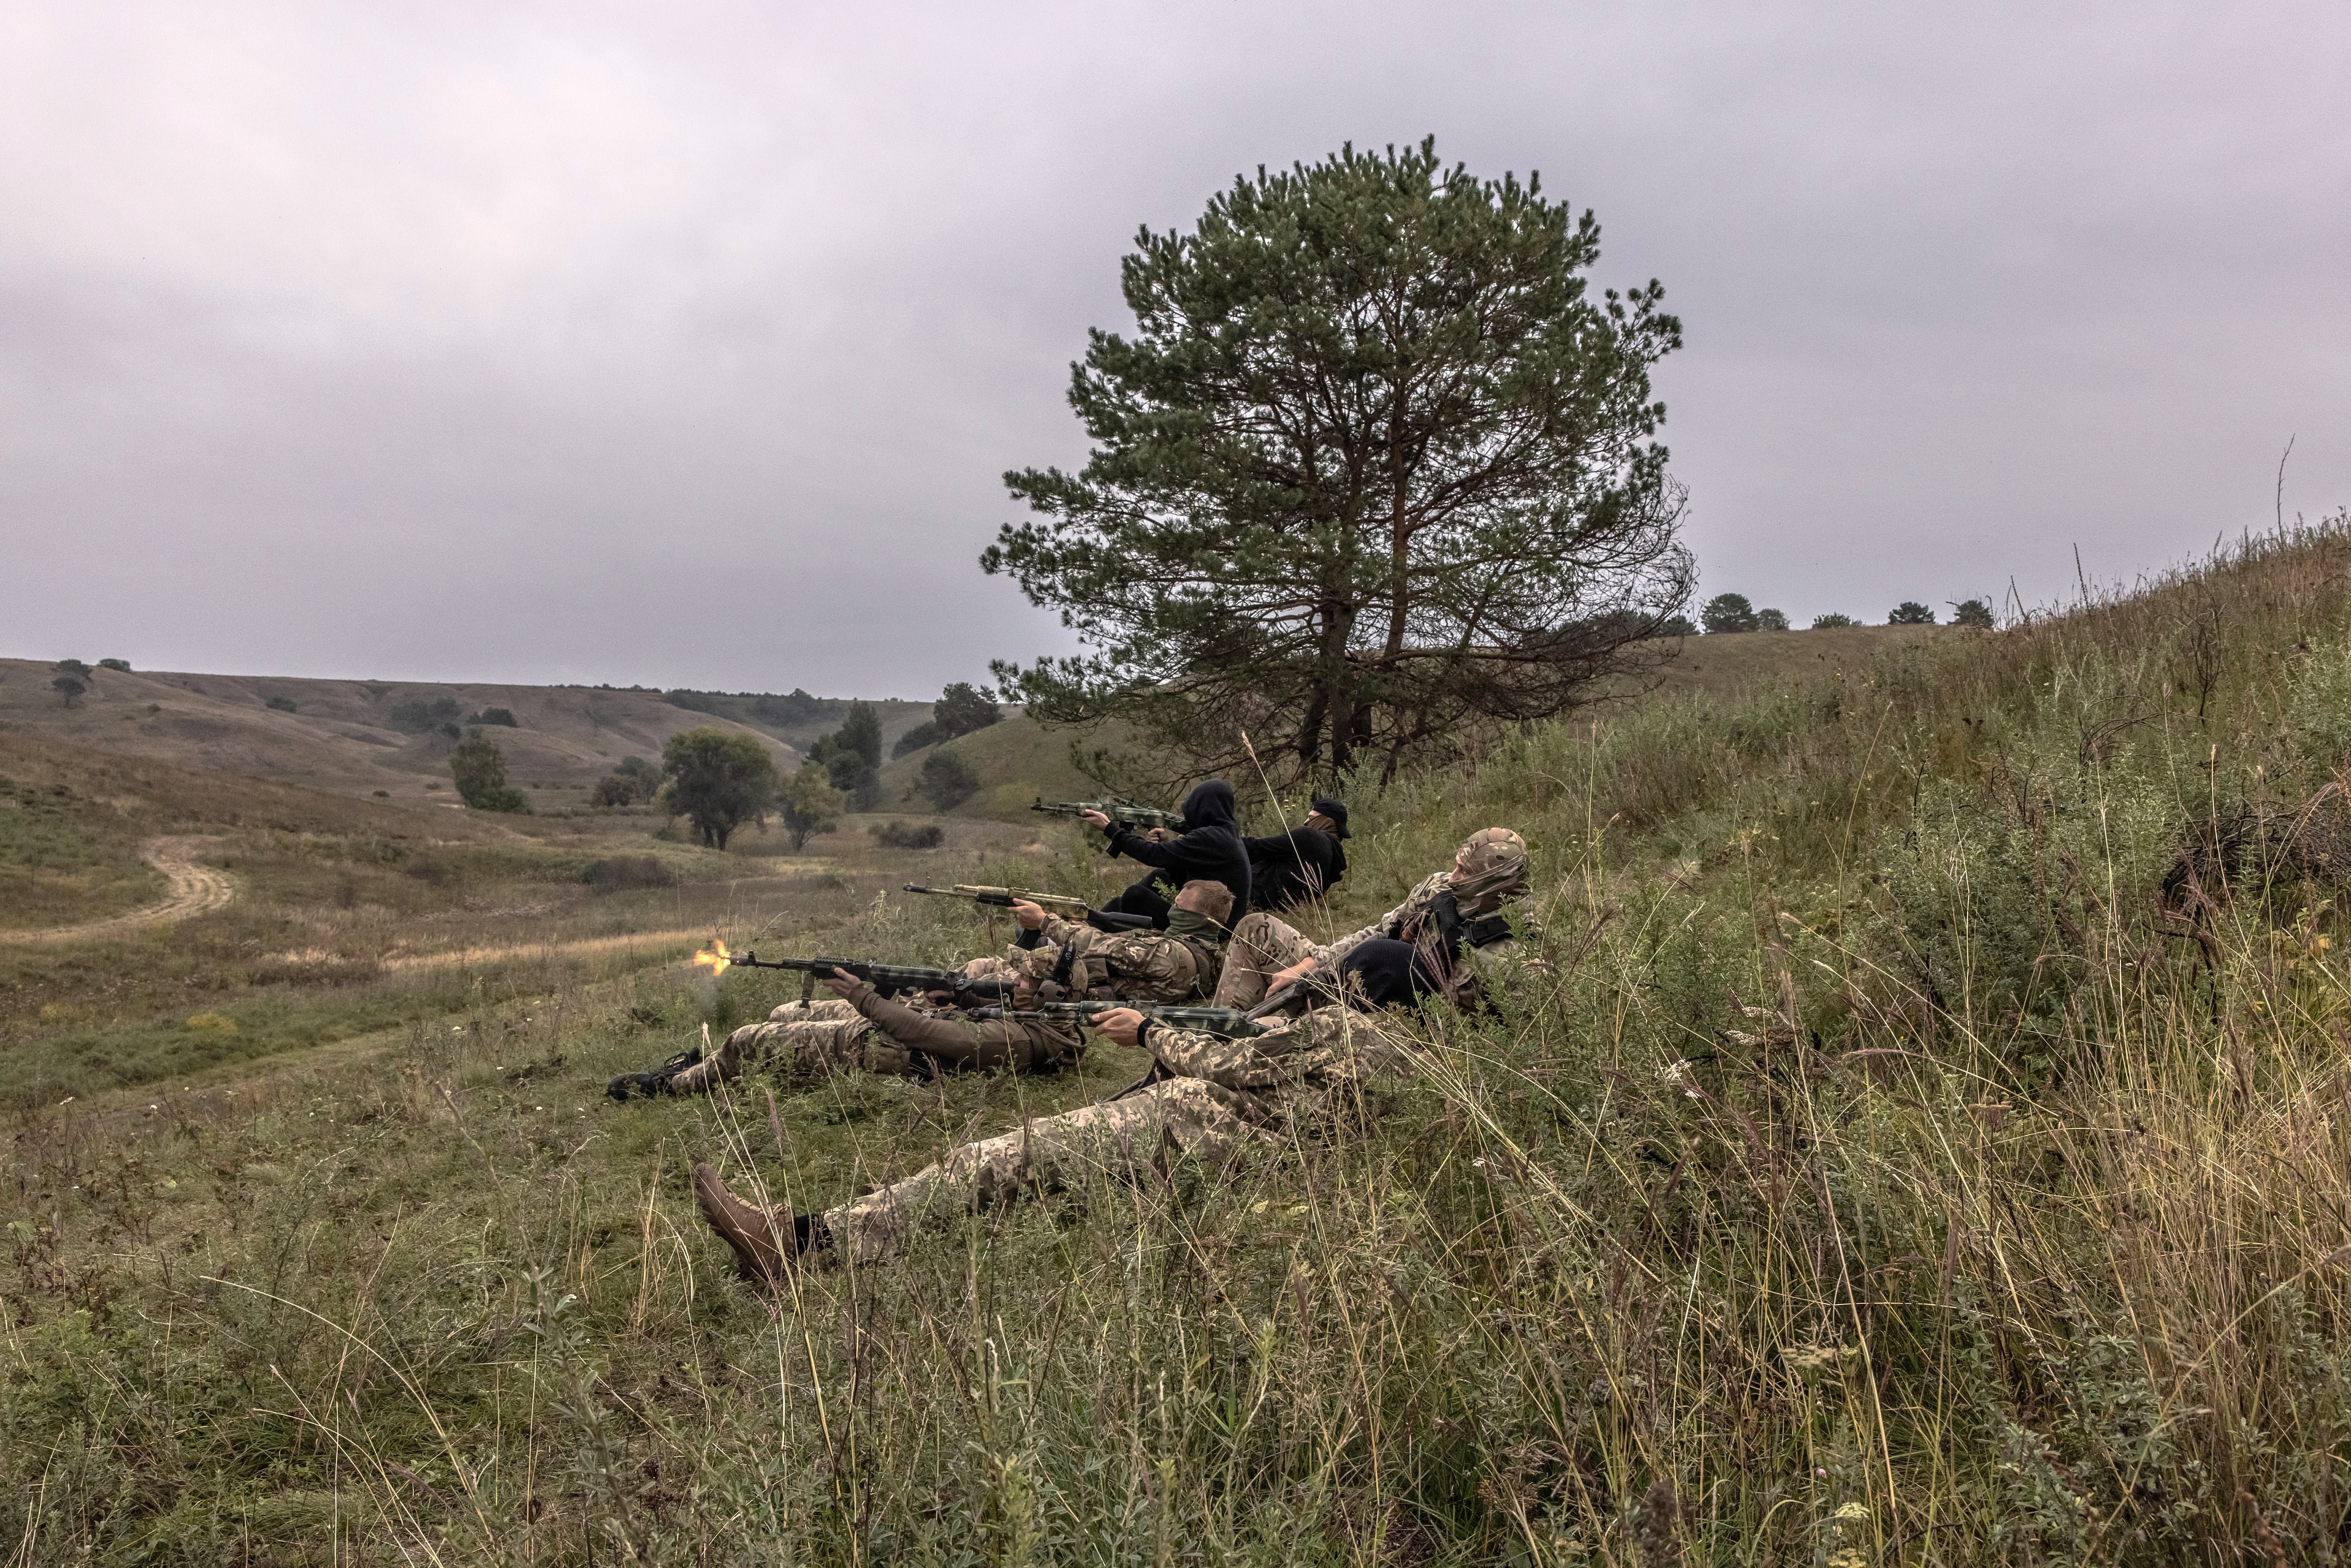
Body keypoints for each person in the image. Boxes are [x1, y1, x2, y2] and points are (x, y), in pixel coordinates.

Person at [689, 938, 1441, 1277]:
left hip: (1192, 1125)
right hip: (1202, 1136)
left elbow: (1234, 1062)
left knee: (999, 1158)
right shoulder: (1400, 1054)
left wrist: (1149, 1029)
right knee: (1020, 1177)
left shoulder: (1351, 1030)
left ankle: (798, 1243)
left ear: (1360, 991)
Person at [605, 949, 1082, 1099]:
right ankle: (709, 1065)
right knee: (788, 1012)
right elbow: (956, 1016)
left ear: (1051, 992)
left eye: (1025, 978)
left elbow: (930, 1035)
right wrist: (950, 995)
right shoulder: (1037, 1017)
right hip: (899, 1029)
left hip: (888, 1049)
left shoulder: (1020, 1037)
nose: (1014, 979)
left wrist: (860, 994)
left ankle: (671, 1087)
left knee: (746, 1040)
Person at [1213, 827, 1531, 1010]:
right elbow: (1379, 931)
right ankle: (1222, 1029)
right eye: (1456, 864)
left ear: (1492, 882)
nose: (1453, 876)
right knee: (1257, 929)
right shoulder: (1437, 888)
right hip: (1345, 974)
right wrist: (1315, 963)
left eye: (1465, 872)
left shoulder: (1514, 961)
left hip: (1378, 1025)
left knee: (1271, 1034)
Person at [1010, 878, 1231, 1003]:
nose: (1172, 909)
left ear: (1196, 918)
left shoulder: (1169, 953)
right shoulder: (1210, 956)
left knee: (984, 969)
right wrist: (1081, 928)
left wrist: (1045, 921)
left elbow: (1103, 948)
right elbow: (1120, 948)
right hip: (1090, 979)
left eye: (1178, 905)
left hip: (1073, 988)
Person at [1085, 780, 1250, 930]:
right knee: (1154, 880)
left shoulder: (1213, 837)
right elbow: (1183, 880)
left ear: (1203, 808)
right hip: (1215, 922)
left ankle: (1090, 930)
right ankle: (1089, 925)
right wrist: (1167, 845)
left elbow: (1152, 855)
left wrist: (1110, 828)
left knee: (1134, 897)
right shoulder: (1226, 835)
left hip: (1213, 930)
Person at [1243, 796, 1349, 912]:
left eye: (1311, 817)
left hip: (1247, 900)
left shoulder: (1310, 837)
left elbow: (1256, 848)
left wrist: (1225, 840)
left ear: (1327, 822)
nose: (1306, 822)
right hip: (1272, 913)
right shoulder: (1334, 855)